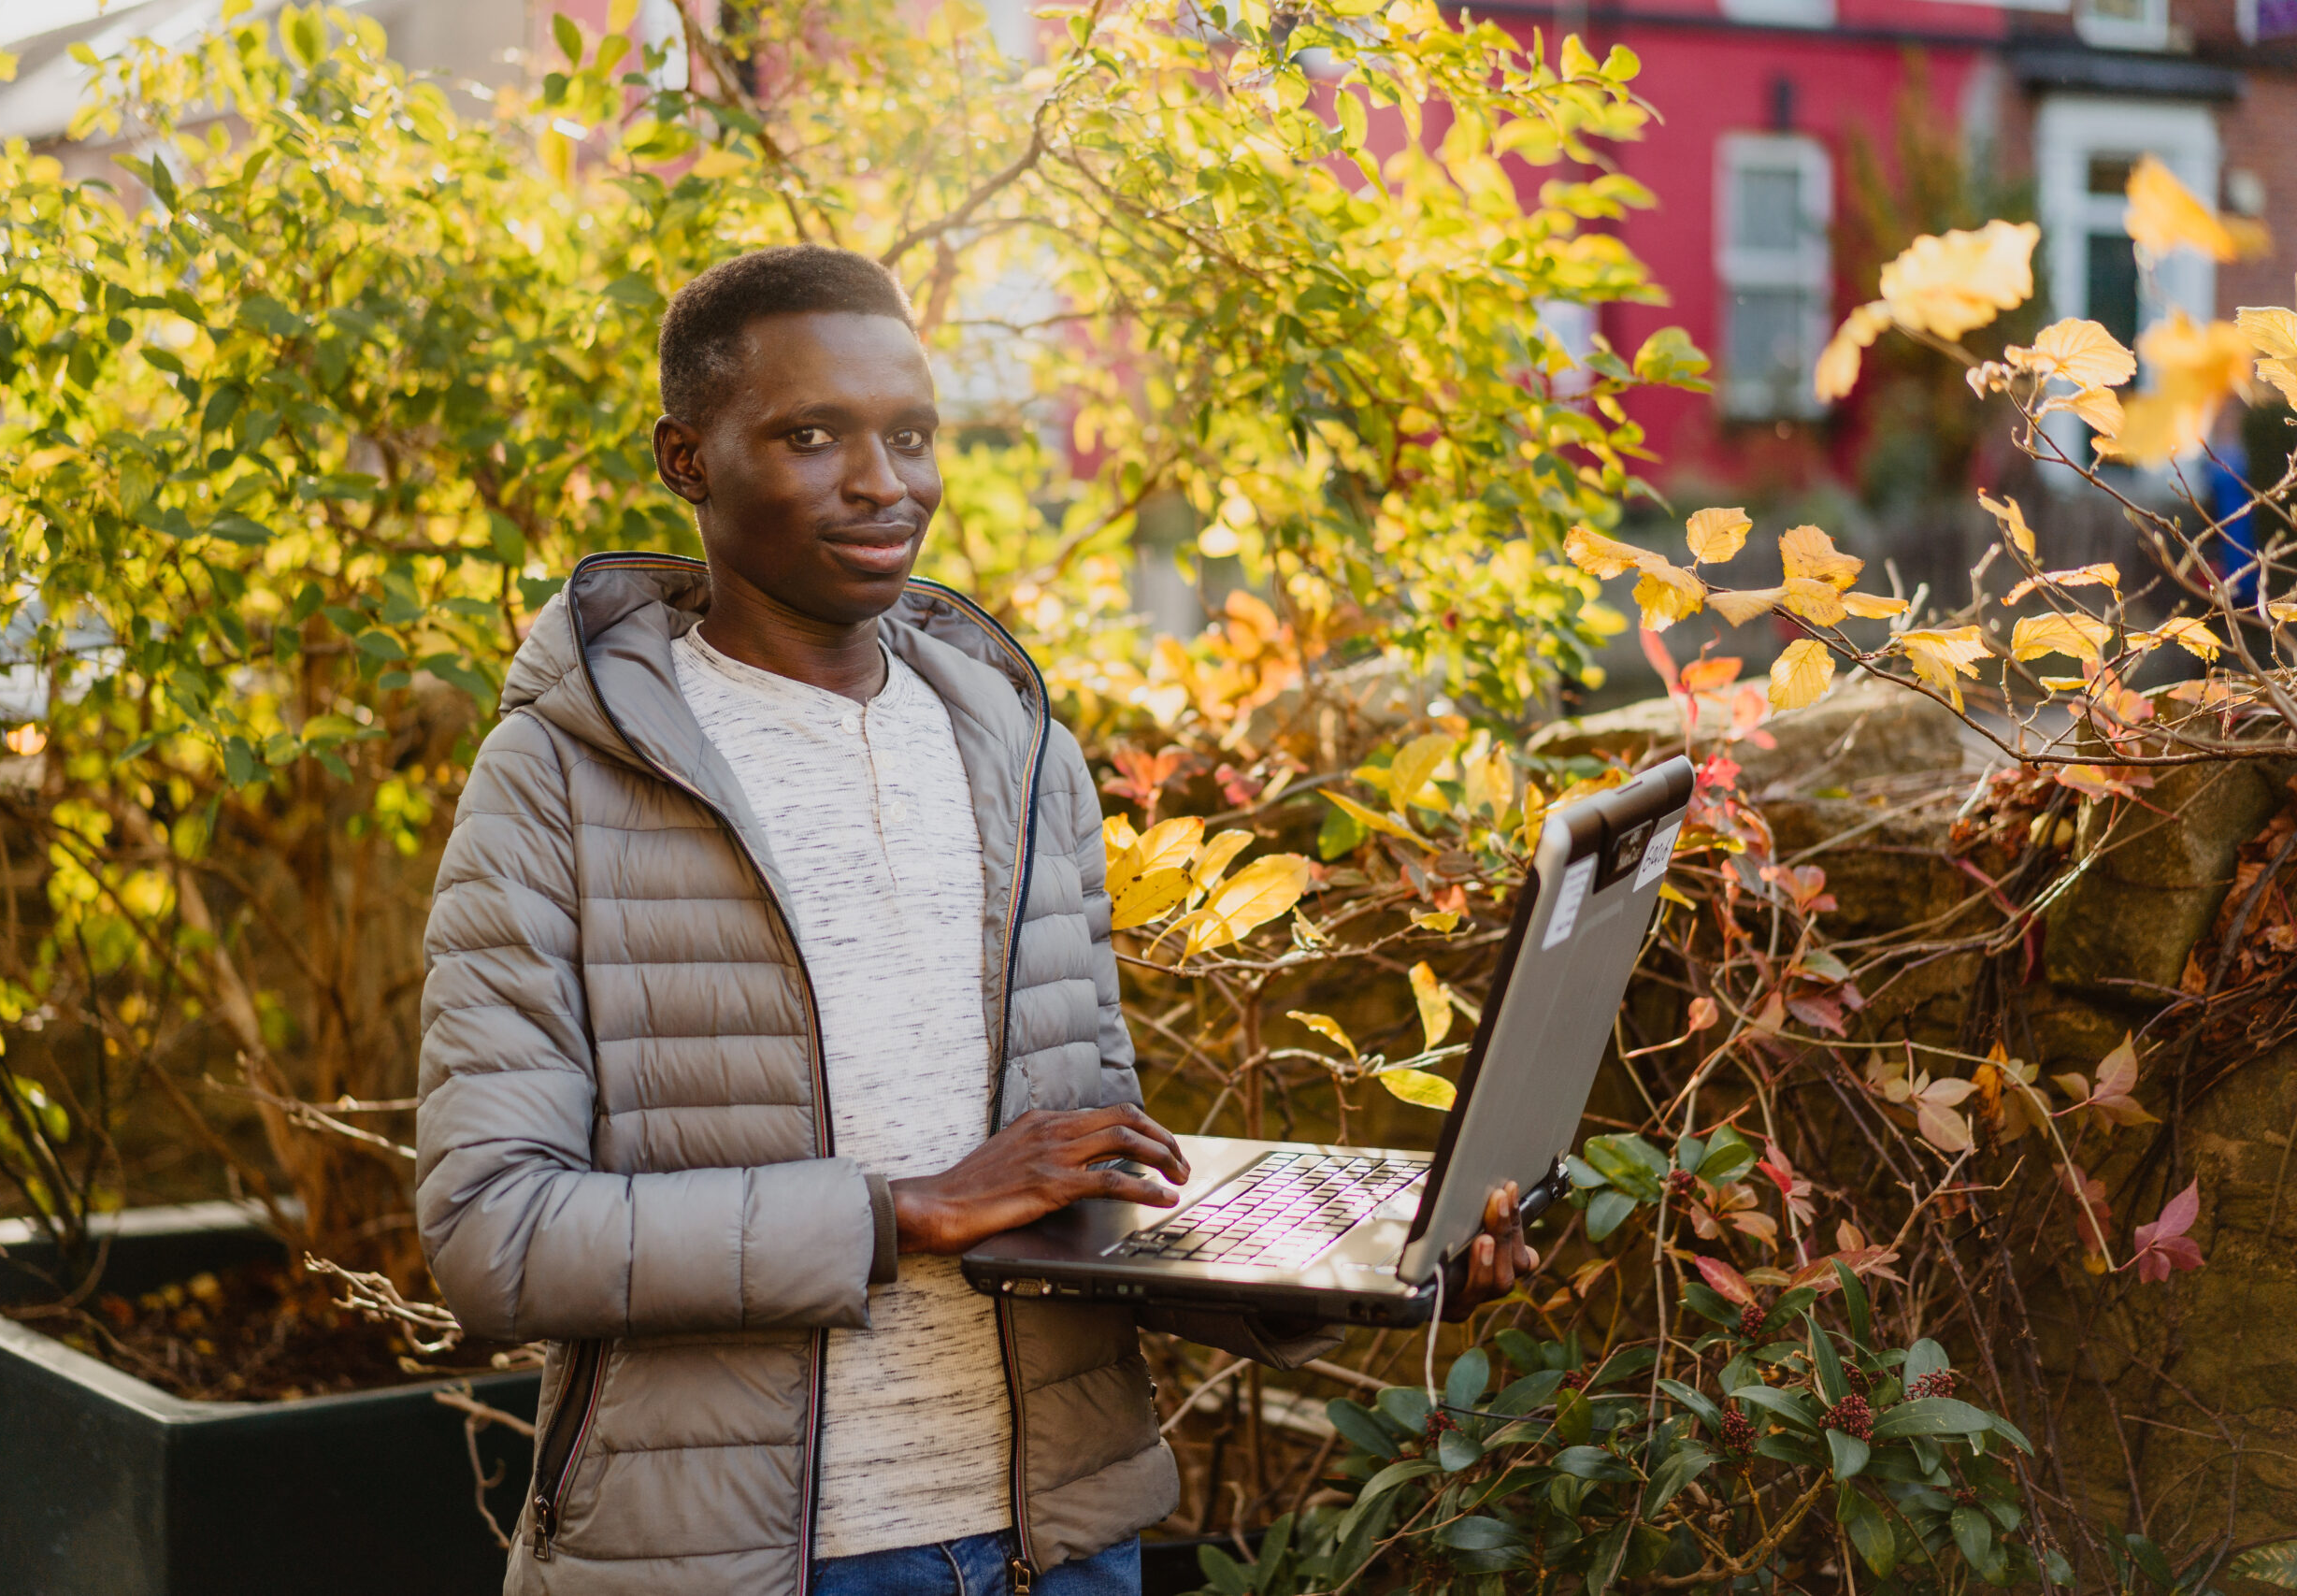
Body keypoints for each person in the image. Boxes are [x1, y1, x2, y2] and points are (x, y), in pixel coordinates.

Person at [414, 243, 1539, 1596]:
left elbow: (1078, 1189)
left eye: (911, 433)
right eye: (812, 435)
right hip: (733, 1564)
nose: (884, 481)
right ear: (686, 458)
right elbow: (495, 1233)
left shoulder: (1017, 749)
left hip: (1053, 1546)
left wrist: (1364, 1270)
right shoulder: (560, 776)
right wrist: (905, 1212)